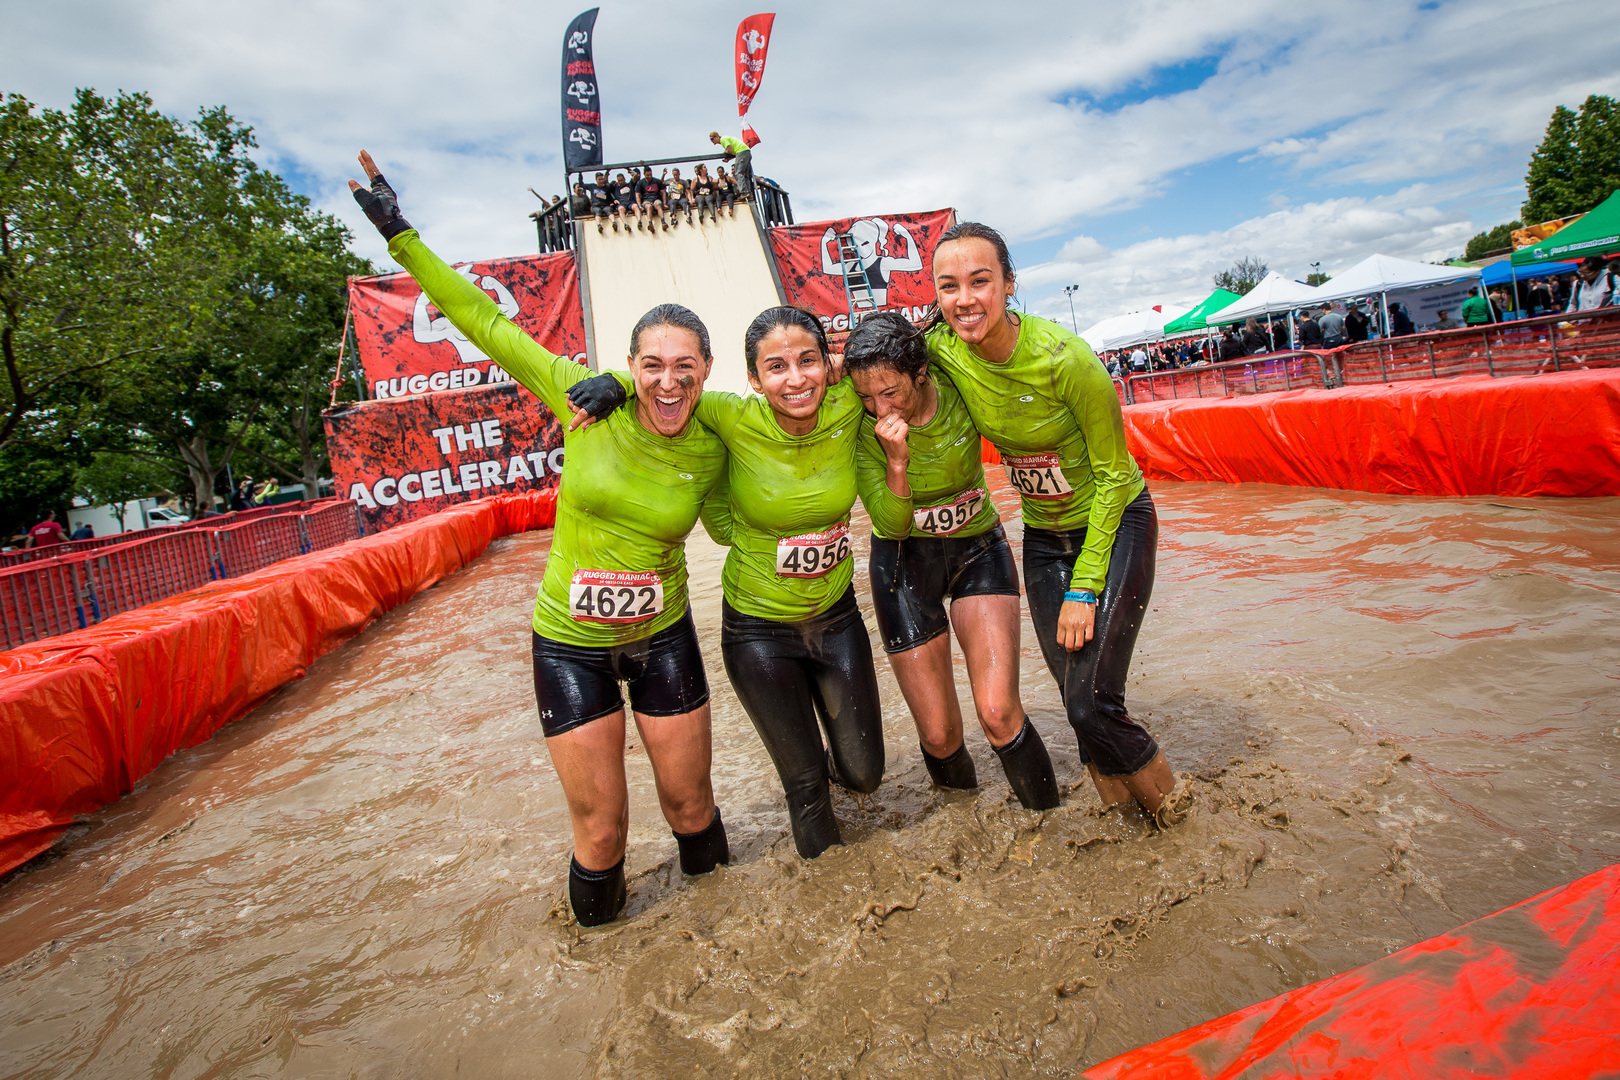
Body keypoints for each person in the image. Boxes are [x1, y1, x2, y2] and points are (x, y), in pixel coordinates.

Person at [350, 152, 732, 926]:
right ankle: (599, 966)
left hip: (663, 637)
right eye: (647, 367)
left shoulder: (718, 432)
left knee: (691, 807)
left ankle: (722, 935)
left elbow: (795, 427)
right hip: (570, 644)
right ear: (627, 364)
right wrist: (400, 234)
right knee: (602, 832)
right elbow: (483, 321)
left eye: (682, 368)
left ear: (706, 370)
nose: (667, 381)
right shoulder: (576, 395)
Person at [573, 307, 884, 861]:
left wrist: (841, 366)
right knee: (806, 787)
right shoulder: (729, 414)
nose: (795, 379)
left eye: (808, 362)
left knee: (865, 775)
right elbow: (669, 384)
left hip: (835, 617)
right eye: (776, 367)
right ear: (751, 378)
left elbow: (893, 359)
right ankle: (836, 901)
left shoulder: (847, 404)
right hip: (757, 630)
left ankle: (831, 763)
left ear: (826, 364)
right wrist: (616, 383)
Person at [925, 222, 1181, 826]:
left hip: (1114, 525)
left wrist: (1084, 589)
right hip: (1043, 539)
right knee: (1074, 701)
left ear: (1009, 284)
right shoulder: (944, 349)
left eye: (980, 281)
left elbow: (1116, 478)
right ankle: (1123, 830)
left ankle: (1181, 821)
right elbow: (880, 361)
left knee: (1094, 704)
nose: (965, 299)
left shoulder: (1067, 360)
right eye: (948, 285)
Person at [844, 312, 1059, 809]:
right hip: (901, 561)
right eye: (867, 398)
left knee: (998, 711)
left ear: (920, 373)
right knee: (939, 734)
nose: (879, 408)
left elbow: (987, 336)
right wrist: (896, 462)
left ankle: (1052, 824)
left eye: (891, 393)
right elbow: (891, 524)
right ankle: (964, 832)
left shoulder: (951, 374)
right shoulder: (861, 425)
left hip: (977, 546)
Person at [710, 131, 752, 202]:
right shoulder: (726, 138)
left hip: (741, 153)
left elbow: (730, 150)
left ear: (717, 137)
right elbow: (733, 152)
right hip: (745, 152)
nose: (712, 141)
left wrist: (725, 152)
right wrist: (728, 159)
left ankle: (744, 192)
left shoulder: (723, 139)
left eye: (712, 139)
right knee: (745, 175)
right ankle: (749, 192)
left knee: (738, 173)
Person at [636, 167, 666, 232]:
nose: (649, 176)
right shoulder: (640, 183)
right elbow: (637, 195)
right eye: (647, 175)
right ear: (644, 174)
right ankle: (650, 223)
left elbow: (663, 192)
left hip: (656, 199)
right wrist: (640, 206)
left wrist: (664, 203)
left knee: (658, 204)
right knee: (648, 206)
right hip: (646, 200)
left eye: (650, 174)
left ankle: (663, 222)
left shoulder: (657, 181)